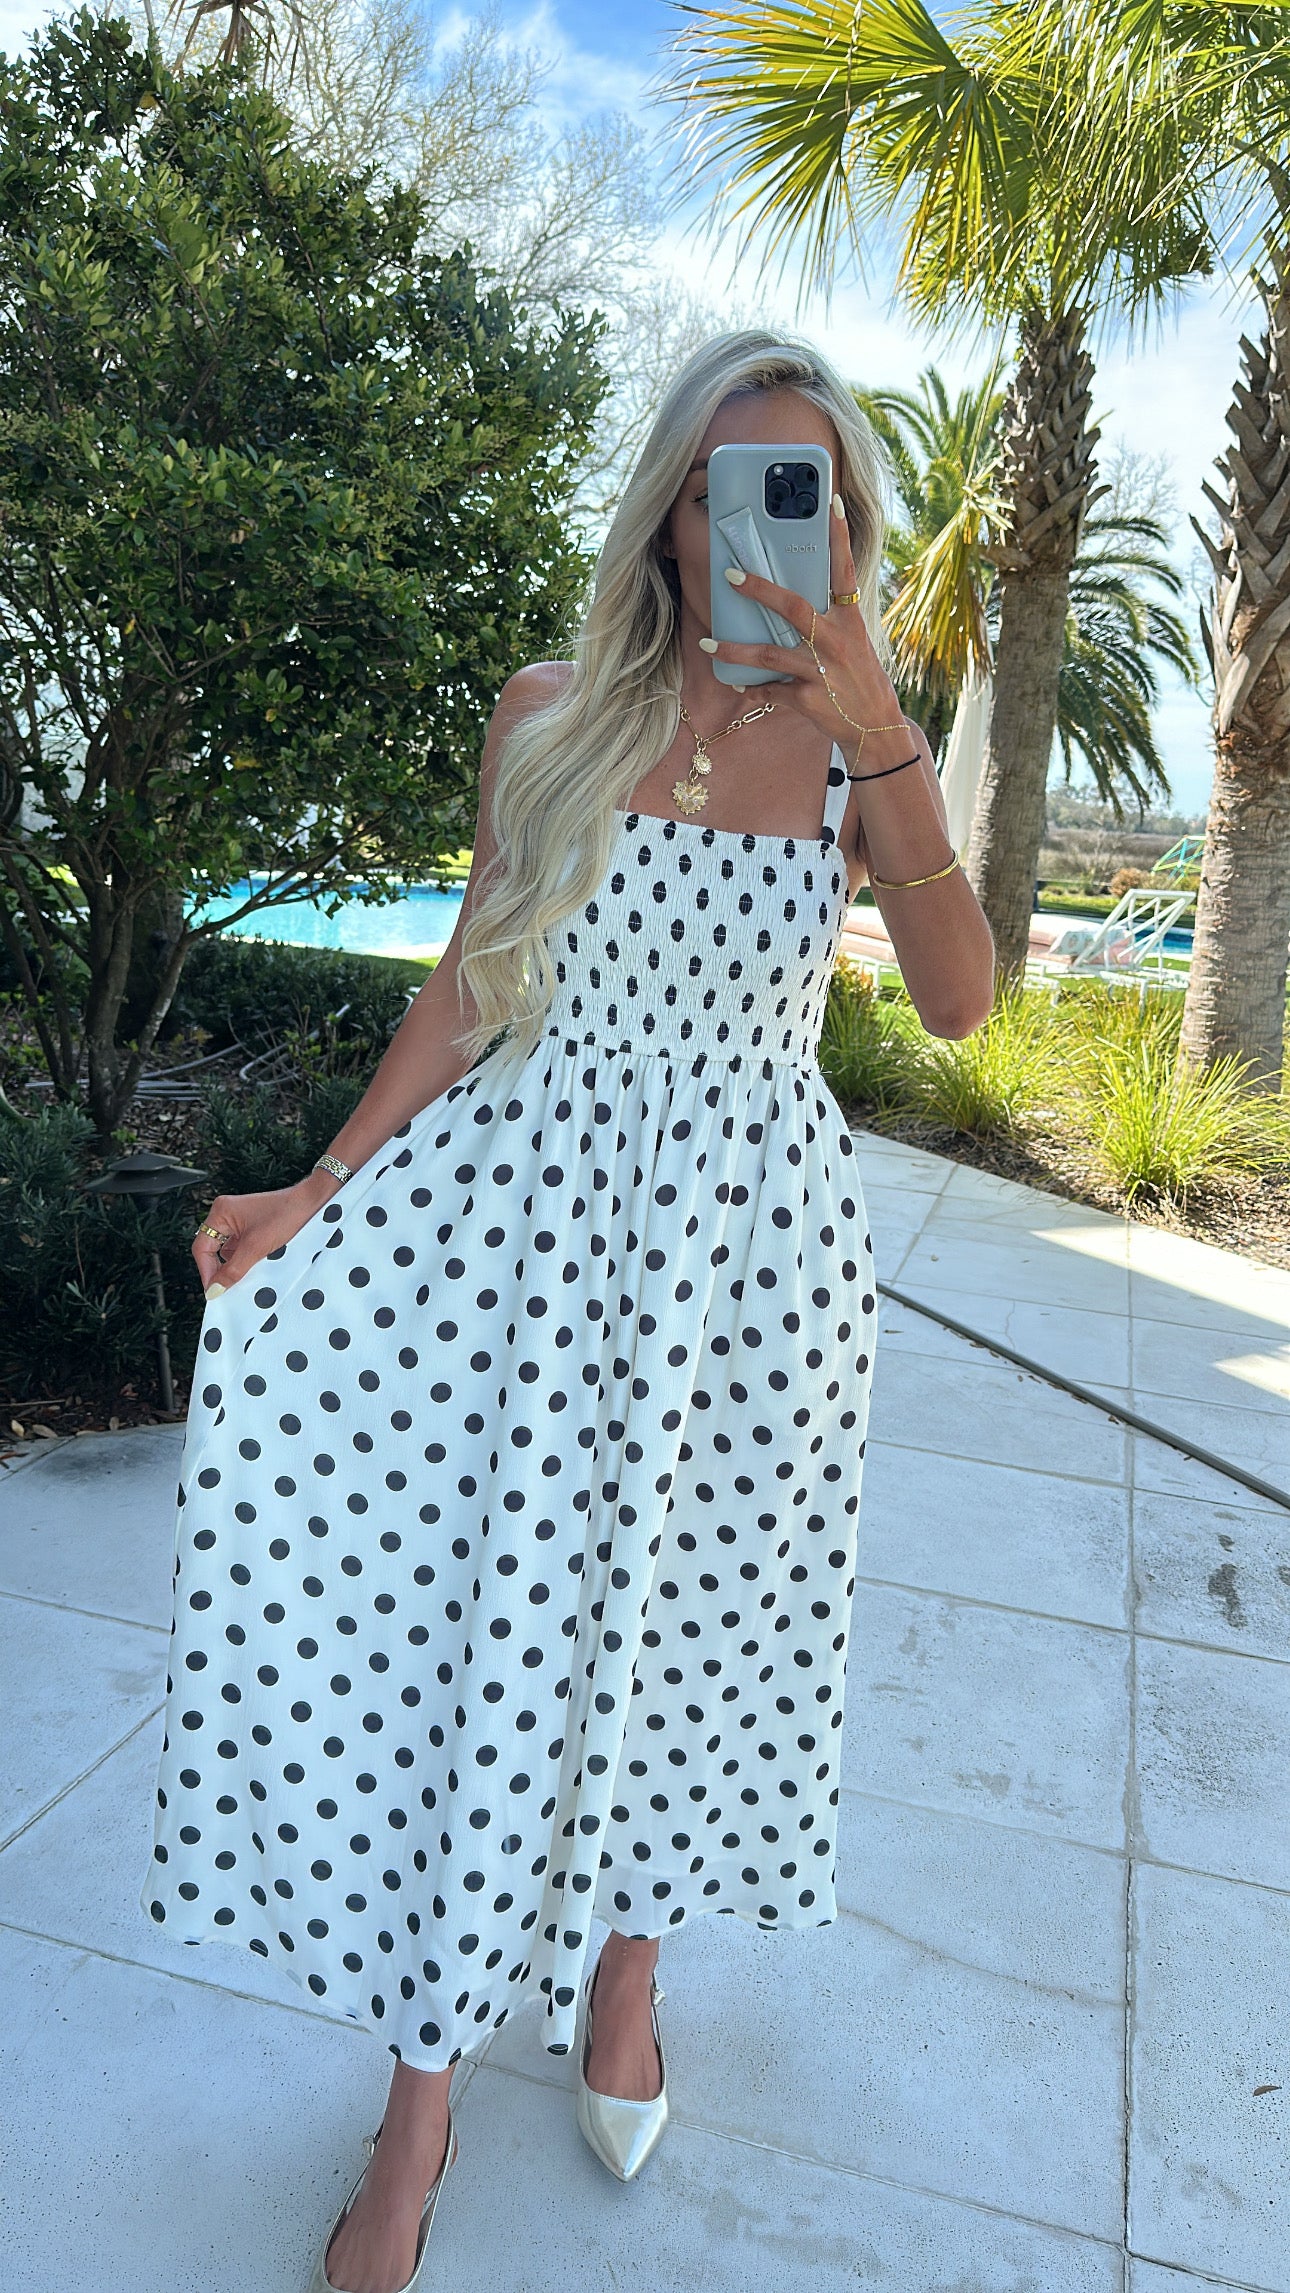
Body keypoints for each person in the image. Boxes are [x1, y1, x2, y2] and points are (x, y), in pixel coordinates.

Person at [142, 328, 994, 2293]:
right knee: (485, 1644)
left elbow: (957, 1001)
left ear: (844, 527)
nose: (751, 523)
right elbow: (473, 980)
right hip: (522, 1243)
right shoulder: (549, 711)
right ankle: (420, 2104)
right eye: (719, 482)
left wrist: (878, 719)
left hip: (750, 1273)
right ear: (671, 514)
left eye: (798, 490)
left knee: (686, 1630)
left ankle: (628, 1976)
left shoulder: (862, 750)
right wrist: (321, 1184)